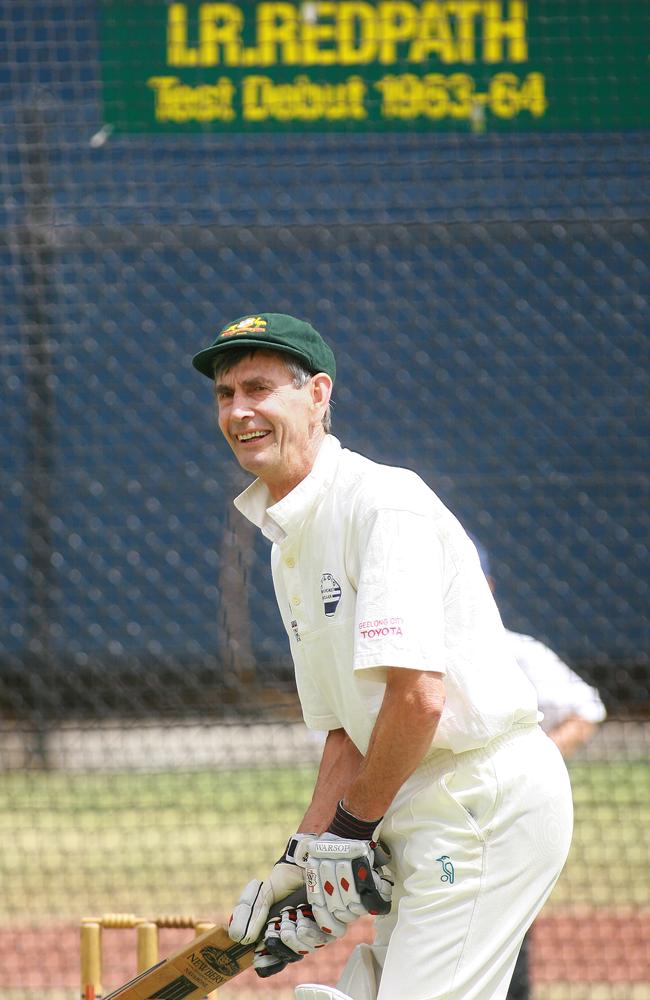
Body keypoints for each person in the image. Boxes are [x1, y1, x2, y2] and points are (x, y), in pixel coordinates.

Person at [192, 312, 574, 1000]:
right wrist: (301, 859)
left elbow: (418, 697)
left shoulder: (381, 503)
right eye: (225, 394)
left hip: (477, 797)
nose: (239, 410)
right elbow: (346, 730)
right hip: (411, 805)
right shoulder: (288, 541)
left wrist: (349, 832)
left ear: (318, 396)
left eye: (258, 388)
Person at [469, 536, 606, 1000]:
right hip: (440, 819)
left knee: (508, 929)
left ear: (487, 585)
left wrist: (530, 764)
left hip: (508, 819)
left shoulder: (516, 651)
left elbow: (587, 708)